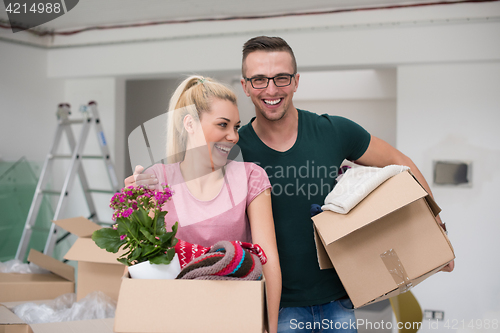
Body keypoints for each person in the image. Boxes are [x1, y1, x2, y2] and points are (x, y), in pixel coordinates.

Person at [127, 37, 454, 333]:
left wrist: (436, 226)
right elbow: (189, 188)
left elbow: (401, 165)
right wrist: (145, 187)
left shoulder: (334, 131)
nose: (271, 89)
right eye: (259, 79)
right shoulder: (232, 149)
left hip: (339, 300)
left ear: (296, 81)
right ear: (245, 85)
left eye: (281, 77)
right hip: (274, 306)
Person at [127, 75, 281, 333]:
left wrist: (271, 327)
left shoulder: (251, 176)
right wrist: (134, 206)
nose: (233, 136)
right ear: (190, 123)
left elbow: (269, 260)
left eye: (236, 127)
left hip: (237, 319)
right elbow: (145, 263)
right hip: (175, 320)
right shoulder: (158, 180)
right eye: (223, 125)